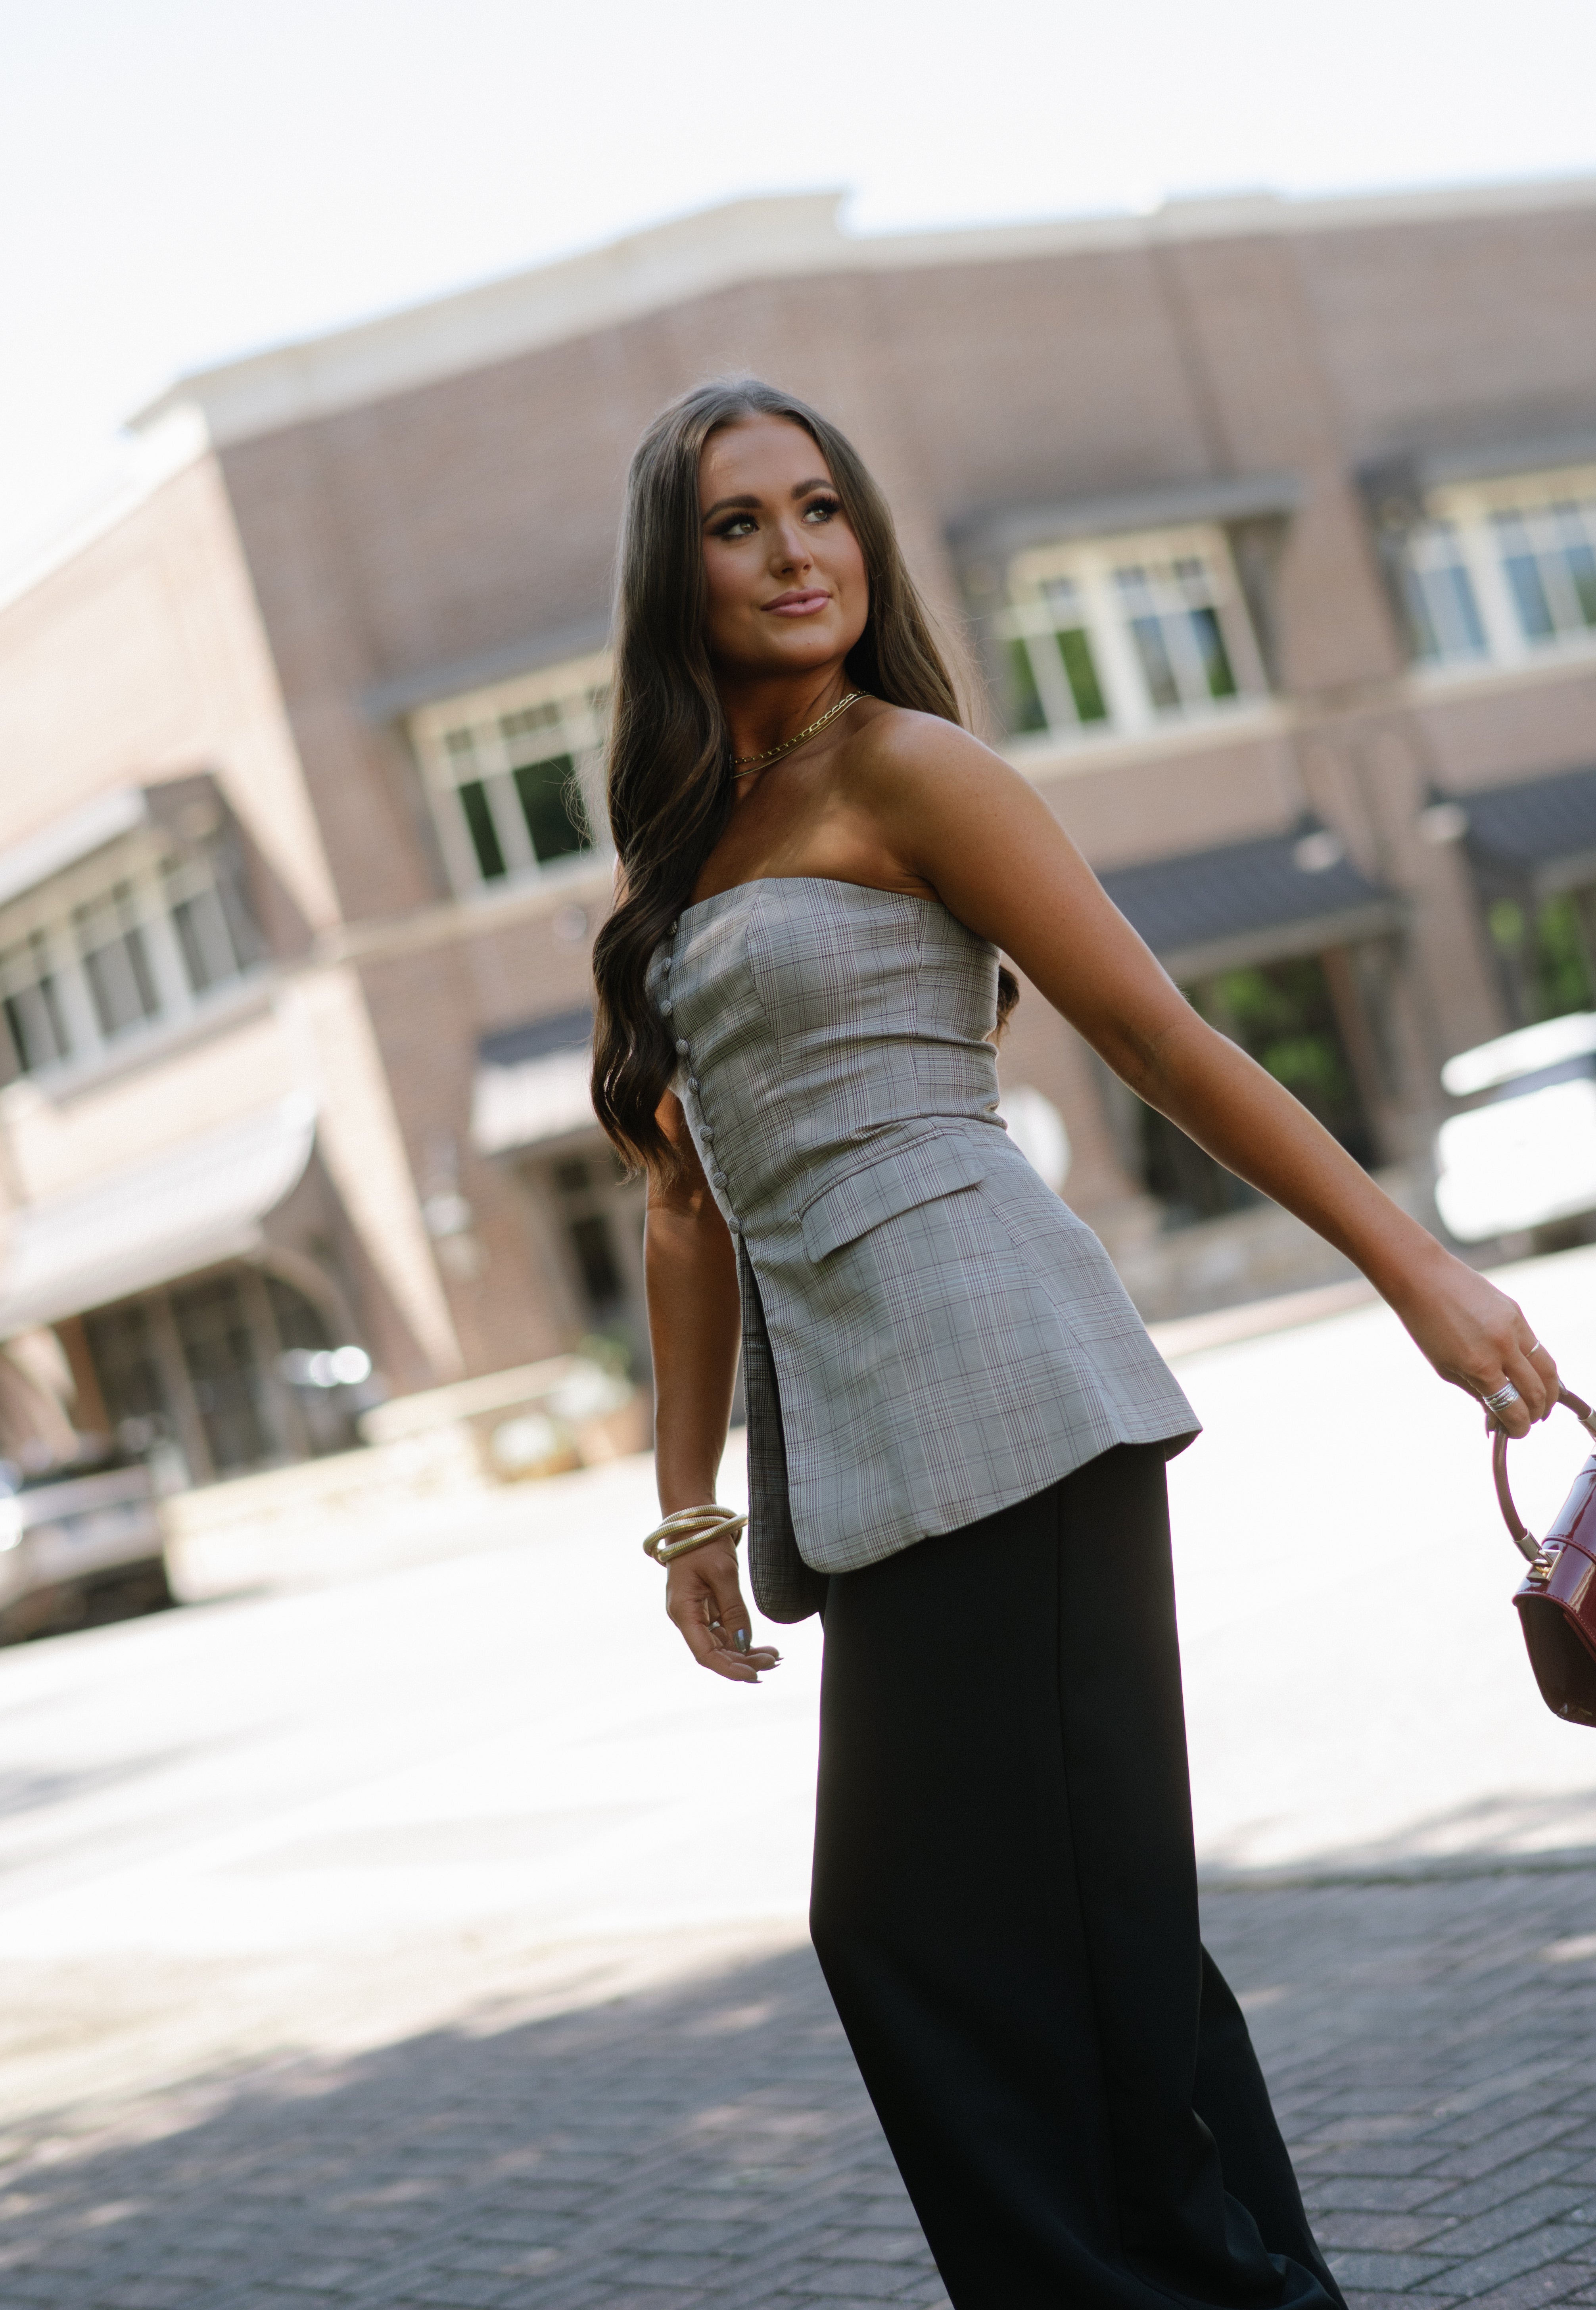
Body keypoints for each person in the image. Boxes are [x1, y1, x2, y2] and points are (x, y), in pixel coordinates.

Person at [589, 376, 1558, 2310]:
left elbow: (1158, 1035)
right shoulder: (686, 847)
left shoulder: (911, 765)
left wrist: (1420, 1273)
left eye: (821, 508)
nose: (794, 553)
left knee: (939, 1944)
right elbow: (683, 1201)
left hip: (1013, 1395)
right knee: (1083, 1944)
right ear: (672, 578)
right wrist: (684, 1514)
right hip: (870, 1455)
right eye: (738, 524)